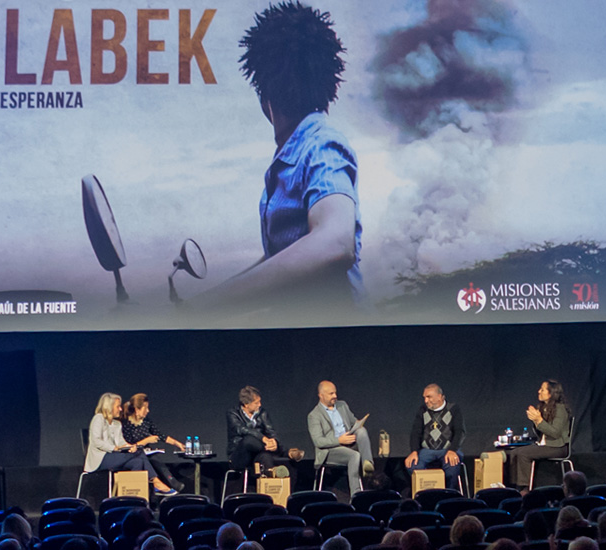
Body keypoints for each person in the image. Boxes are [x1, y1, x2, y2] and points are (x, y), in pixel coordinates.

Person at [191, 1, 363, 314]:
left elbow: (336, 242)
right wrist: (202, 304)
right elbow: (281, 258)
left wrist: (208, 306)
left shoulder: (321, 146)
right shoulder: (291, 158)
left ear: (264, 92)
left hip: (340, 345)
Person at [85, 393, 173, 494]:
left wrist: (130, 447)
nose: (121, 409)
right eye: (118, 406)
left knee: (138, 462)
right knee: (139, 453)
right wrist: (115, 448)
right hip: (100, 459)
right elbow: (96, 441)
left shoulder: (117, 424)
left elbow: (122, 442)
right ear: (109, 407)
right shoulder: (99, 419)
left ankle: (134, 495)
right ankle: (155, 481)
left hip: (114, 457)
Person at [308, 380, 374, 493]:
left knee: (362, 431)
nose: (335, 396)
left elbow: (353, 422)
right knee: (354, 455)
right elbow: (318, 441)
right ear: (321, 395)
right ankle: (356, 494)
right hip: (330, 450)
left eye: (335, 393)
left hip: (349, 441)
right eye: (331, 394)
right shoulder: (314, 415)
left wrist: (358, 424)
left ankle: (367, 465)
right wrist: (339, 440)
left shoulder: (342, 405)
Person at [506, 380, 572, 489]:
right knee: (514, 452)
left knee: (523, 454)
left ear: (551, 393)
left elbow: (555, 433)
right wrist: (536, 421)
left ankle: (524, 488)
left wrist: (539, 420)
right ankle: (513, 486)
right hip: (545, 444)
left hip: (558, 447)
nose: (539, 391)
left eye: (542, 389)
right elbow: (541, 433)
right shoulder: (544, 408)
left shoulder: (560, 409)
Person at [122, 393, 189, 494]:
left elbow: (160, 435)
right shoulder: (126, 424)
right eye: (145, 408)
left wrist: (177, 443)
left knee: (156, 459)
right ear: (137, 409)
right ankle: (160, 485)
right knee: (147, 460)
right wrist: (147, 440)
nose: (148, 411)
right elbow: (129, 446)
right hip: (132, 454)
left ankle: (172, 484)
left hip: (145, 452)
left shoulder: (146, 421)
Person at [406, 383, 465, 488]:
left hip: (448, 449)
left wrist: (452, 450)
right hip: (427, 450)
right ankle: (425, 493)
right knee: (413, 466)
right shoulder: (423, 410)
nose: (426, 401)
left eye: (429, 397)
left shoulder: (453, 409)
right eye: (424, 398)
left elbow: (459, 432)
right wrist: (414, 451)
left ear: (439, 397)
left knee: (451, 469)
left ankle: (449, 495)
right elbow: (416, 432)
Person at [227, 386, 281, 482]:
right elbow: (242, 429)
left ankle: (270, 493)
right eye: (256, 403)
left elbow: (271, 431)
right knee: (248, 440)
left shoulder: (262, 413)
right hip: (240, 455)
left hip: (257, 454)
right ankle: (281, 451)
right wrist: (263, 439)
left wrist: (274, 442)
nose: (259, 405)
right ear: (246, 404)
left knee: (266, 458)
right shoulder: (233, 413)